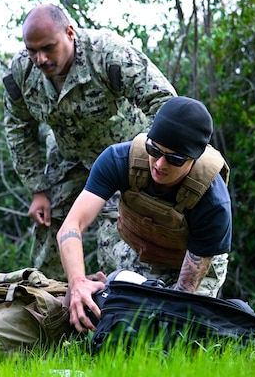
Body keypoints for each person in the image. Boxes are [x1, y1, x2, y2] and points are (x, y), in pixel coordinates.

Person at [3, 4, 177, 280]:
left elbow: (165, 103)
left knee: (118, 243)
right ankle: (54, 312)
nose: (40, 58)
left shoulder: (108, 54)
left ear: (70, 33)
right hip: (68, 158)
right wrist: (37, 189)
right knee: (50, 234)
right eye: (32, 50)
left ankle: (120, 311)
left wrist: (159, 162)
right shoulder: (22, 71)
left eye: (48, 48)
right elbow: (18, 126)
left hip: (124, 159)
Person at [57, 96, 232, 333]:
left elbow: (182, 295)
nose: (159, 164)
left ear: (193, 159)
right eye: (154, 150)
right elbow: (71, 226)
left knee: (174, 329)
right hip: (141, 246)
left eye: (174, 159)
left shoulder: (213, 202)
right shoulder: (118, 159)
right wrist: (77, 282)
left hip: (192, 262)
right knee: (112, 312)